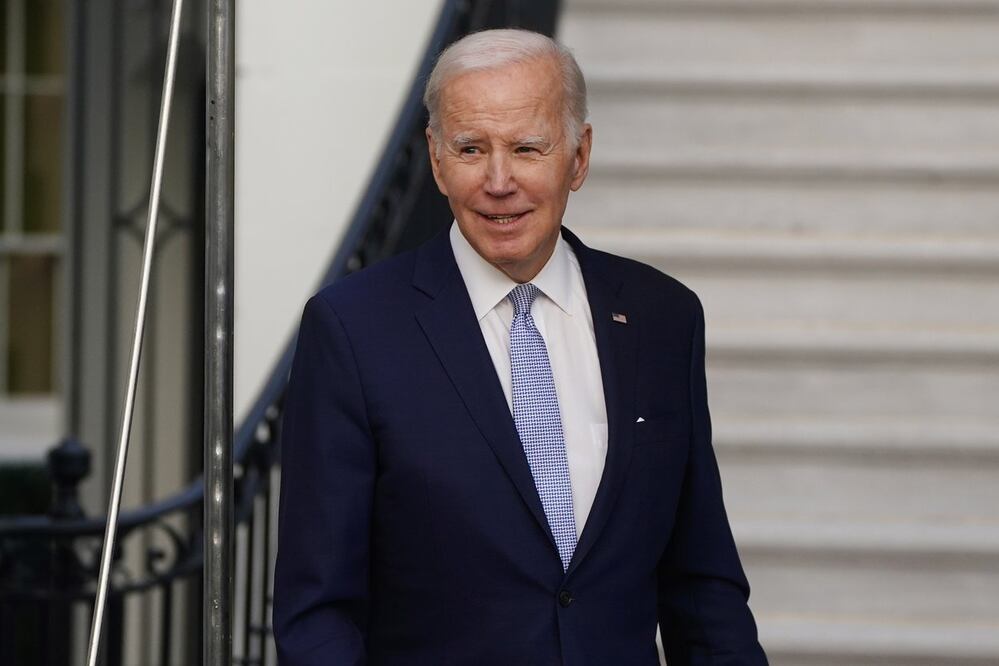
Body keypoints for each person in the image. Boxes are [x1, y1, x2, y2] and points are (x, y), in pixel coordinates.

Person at [273, 28, 767, 666]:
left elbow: (703, 590)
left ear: (579, 157)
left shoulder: (662, 317)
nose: (498, 180)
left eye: (528, 148)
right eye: (471, 148)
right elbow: (320, 615)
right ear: (436, 159)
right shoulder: (353, 329)